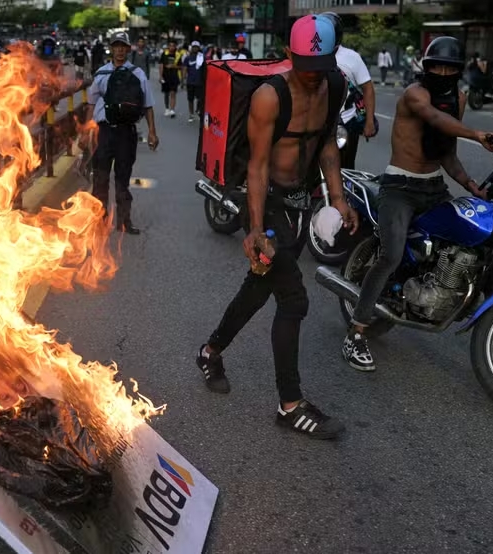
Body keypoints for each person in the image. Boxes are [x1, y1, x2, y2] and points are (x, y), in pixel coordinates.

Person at [195, 14, 355, 440]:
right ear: (289, 56)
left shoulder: (334, 85)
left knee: (258, 287)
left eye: (320, 70)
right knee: (294, 298)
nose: (312, 79)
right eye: (305, 69)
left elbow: (324, 143)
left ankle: (210, 351)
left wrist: (337, 197)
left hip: (300, 202)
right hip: (265, 201)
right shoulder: (270, 96)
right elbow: (258, 165)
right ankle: (290, 404)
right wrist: (254, 229)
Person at [341, 36, 493, 372]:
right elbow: (435, 119)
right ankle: (356, 331)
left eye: (449, 67)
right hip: (400, 187)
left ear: (459, 71)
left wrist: (474, 187)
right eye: (436, 66)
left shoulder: (458, 98)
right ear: (426, 67)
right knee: (390, 255)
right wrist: (477, 134)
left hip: (433, 187)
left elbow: (446, 151)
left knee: (481, 242)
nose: (442, 72)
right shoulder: (415, 94)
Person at [86, 31, 159, 235]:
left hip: (126, 134)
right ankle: (98, 220)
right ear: (111, 48)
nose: (119, 50)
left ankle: (124, 221)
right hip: (104, 133)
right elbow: (91, 104)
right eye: (116, 46)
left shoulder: (137, 74)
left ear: (128, 49)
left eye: (123, 46)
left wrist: (152, 132)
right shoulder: (101, 74)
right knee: (100, 178)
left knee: (123, 179)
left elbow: (148, 105)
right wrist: (86, 132)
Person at [322, 12, 377, 169]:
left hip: (345, 123)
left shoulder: (352, 57)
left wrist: (369, 121)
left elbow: (368, 89)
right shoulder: (312, 54)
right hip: (316, 120)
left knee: (345, 166)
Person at [182, 41, 205, 123]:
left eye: (196, 47)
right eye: (193, 47)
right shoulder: (187, 58)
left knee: (200, 98)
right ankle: (191, 114)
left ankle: (198, 110)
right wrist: (183, 80)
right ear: (191, 48)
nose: (195, 48)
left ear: (199, 48)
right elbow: (184, 69)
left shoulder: (202, 57)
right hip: (190, 82)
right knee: (190, 99)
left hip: (200, 82)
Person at [159, 40, 180, 118]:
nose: (171, 47)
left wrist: (173, 66)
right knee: (166, 93)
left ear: (175, 47)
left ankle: (172, 109)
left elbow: (181, 66)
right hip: (165, 76)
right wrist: (160, 76)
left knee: (173, 93)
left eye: (173, 46)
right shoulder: (164, 54)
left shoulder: (178, 55)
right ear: (168, 46)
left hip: (174, 77)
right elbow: (161, 65)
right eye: (170, 45)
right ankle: (167, 108)